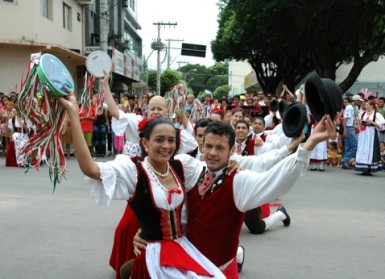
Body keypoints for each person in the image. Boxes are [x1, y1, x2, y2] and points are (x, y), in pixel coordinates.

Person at [133, 116, 337, 278]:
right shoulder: (191, 170)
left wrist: (308, 144)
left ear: (232, 151)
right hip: (184, 265)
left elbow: (276, 179)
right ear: (201, 146)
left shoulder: (239, 181)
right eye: (209, 146)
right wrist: (145, 231)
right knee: (130, 270)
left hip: (219, 269)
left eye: (220, 148)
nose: (212, 153)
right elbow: (159, 193)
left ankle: (238, 254)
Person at [59, 89, 226, 278]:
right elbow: (90, 168)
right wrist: (73, 114)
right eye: (159, 140)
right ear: (145, 144)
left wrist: (232, 163)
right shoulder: (134, 172)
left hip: (181, 247)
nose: (166, 146)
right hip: (153, 255)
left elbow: (214, 168)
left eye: (171, 140)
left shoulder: (182, 166)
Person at [354, 100, 385, 175]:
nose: (365, 106)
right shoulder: (362, 113)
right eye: (365, 105)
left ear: (372, 106)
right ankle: (363, 168)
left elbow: (382, 125)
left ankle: (369, 168)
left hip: (371, 133)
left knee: (370, 149)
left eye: (367, 105)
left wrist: (372, 122)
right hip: (363, 133)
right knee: (362, 148)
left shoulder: (377, 114)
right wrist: (359, 124)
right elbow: (357, 122)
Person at [342, 97, 357, 169]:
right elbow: (345, 119)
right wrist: (345, 130)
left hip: (349, 127)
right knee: (354, 146)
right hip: (349, 128)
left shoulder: (349, 107)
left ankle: (345, 161)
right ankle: (345, 160)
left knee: (351, 146)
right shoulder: (349, 108)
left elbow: (346, 119)